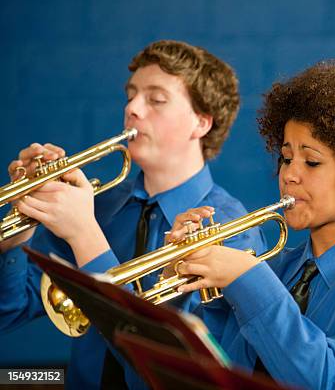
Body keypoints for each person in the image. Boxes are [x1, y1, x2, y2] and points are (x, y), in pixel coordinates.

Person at [0, 40, 265, 389]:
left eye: (155, 99)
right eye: (131, 95)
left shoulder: (232, 228)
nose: (132, 108)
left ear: (201, 123)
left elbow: (176, 374)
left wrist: (85, 237)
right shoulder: (97, 205)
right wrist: (18, 238)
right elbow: (11, 310)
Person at [164, 62, 335, 389]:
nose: (289, 175)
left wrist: (249, 280)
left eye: (311, 161)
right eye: (285, 157)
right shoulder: (280, 266)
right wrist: (175, 284)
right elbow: (205, 367)